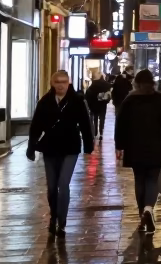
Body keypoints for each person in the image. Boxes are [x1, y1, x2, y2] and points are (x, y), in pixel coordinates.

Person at [27, 70, 95, 235]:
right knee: (51, 187)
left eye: (64, 82)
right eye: (57, 81)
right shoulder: (45, 101)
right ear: (52, 83)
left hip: (70, 147)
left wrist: (88, 145)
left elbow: (85, 123)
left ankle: (62, 221)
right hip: (50, 148)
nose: (61, 85)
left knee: (63, 184)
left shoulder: (77, 101)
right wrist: (31, 145)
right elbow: (36, 124)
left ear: (68, 83)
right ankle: (53, 216)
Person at [114, 69, 161, 235]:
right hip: (156, 145)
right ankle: (149, 209)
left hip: (134, 146)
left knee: (139, 179)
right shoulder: (159, 99)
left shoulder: (130, 100)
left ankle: (142, 214)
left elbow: (120, 124)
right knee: (153, 179)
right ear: (152, 82)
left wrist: (119, 146)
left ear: (136, 82)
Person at [86, 71, 111, 137]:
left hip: (94, 104)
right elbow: (109, 94)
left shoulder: (93, 84)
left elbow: (88, 94)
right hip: (103, 104)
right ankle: (101, 132)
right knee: (102, 118)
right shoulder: (106, 84)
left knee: (95, 118)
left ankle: (95, 132)